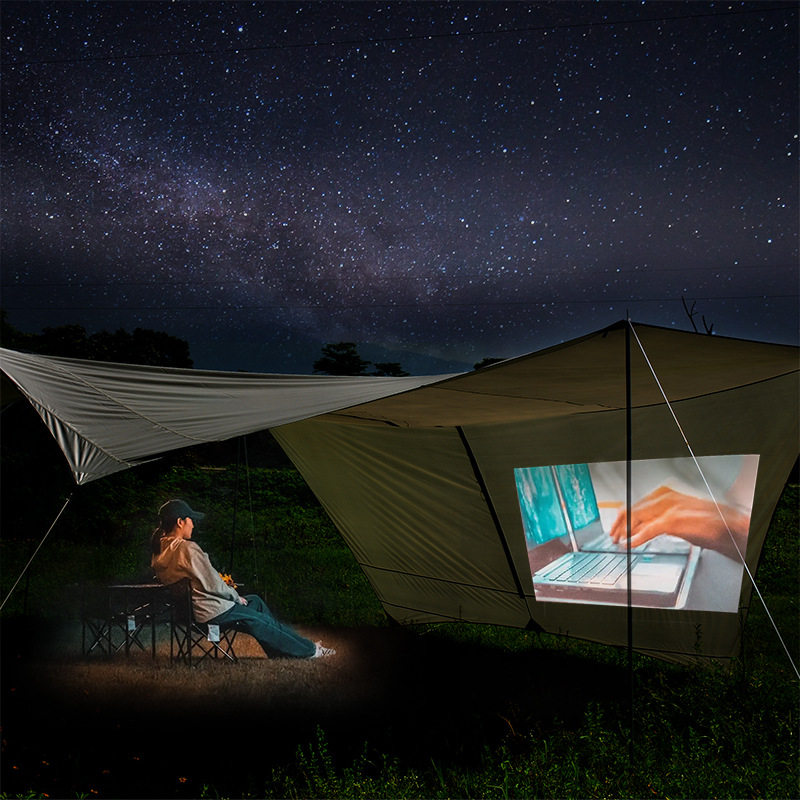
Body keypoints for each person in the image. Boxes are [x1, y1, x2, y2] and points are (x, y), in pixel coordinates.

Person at [151, 498, 334, 659]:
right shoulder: (186, 549)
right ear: (180, 521)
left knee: (256, 603)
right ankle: (310, 651)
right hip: (211, 611)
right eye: (191, 520)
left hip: (191, 613)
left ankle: (282, 651)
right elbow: (213, 584)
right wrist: (235, 596)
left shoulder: (159, 552)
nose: (193, 525)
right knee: (259, 620)